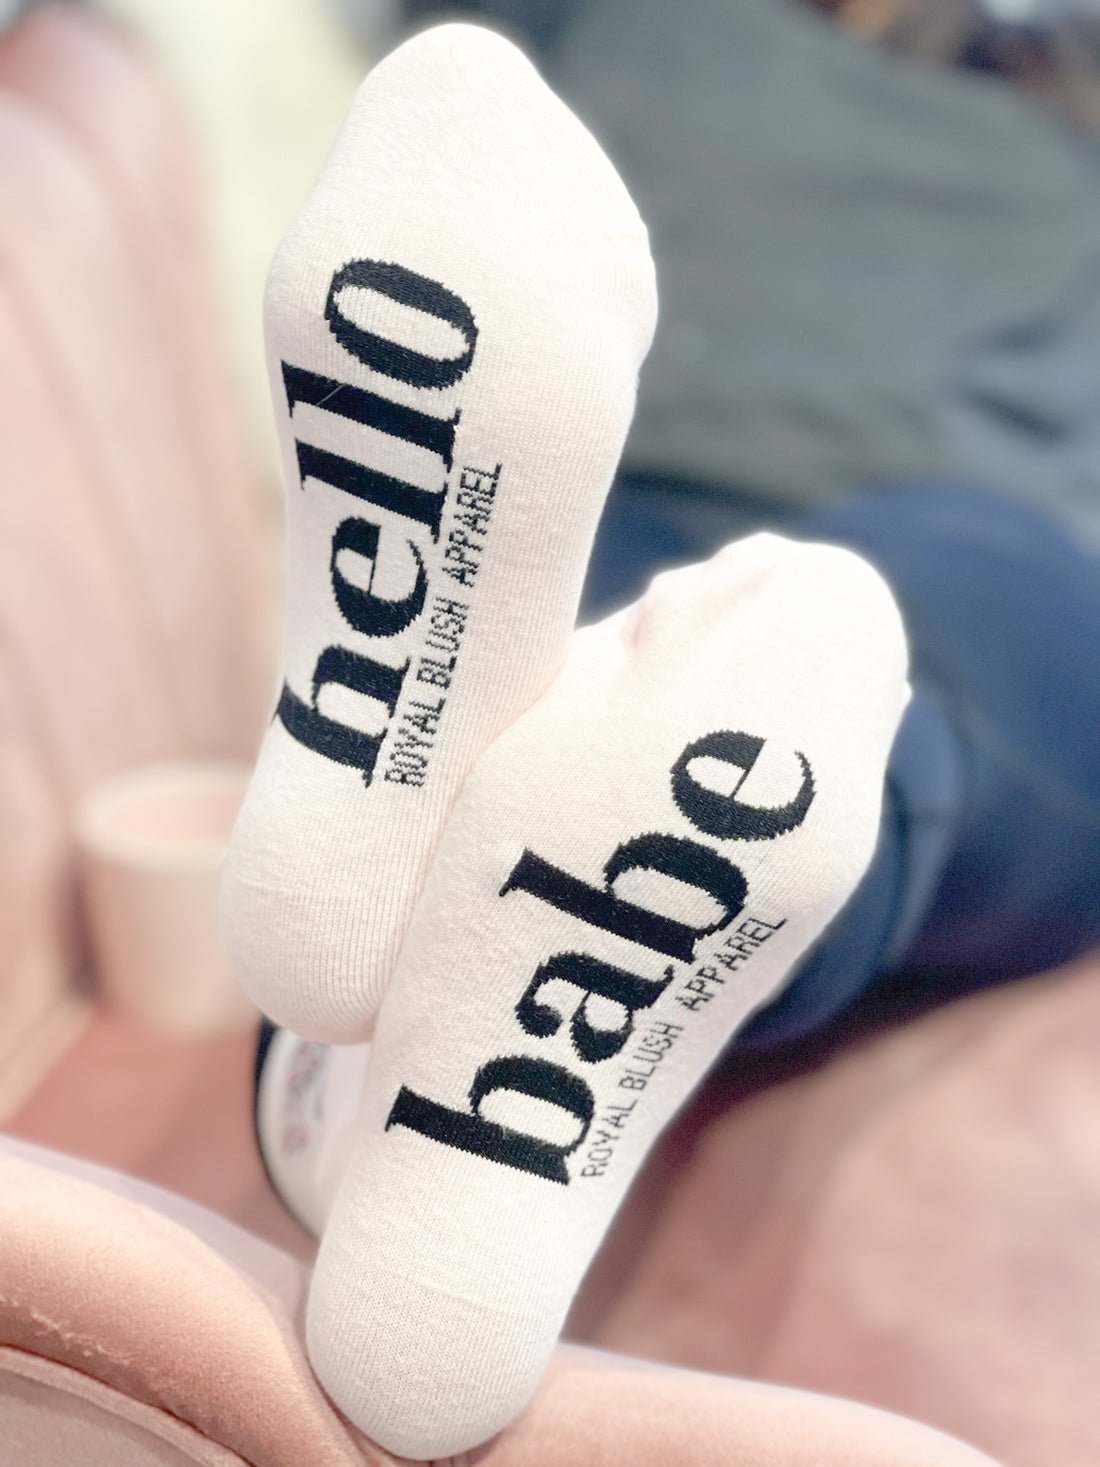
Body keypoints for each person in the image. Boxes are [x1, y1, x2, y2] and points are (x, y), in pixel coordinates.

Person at [219, 19, 1100, 1462]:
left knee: (759, 694)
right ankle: (439, 1017)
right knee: (701, 725)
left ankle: (345, 1059)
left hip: (920, 531)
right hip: (584, 472)